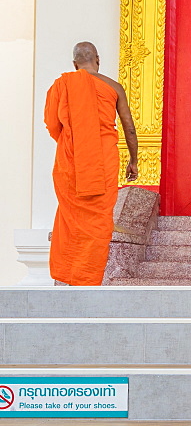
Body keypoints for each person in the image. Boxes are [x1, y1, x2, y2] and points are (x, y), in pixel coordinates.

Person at [44, 42, 138, 286]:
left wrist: (75, 140)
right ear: (98, 59)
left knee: (71, 215)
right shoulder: (114, 87)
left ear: (74, 64)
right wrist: (134, 161)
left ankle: (72, 275)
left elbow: (53, 124)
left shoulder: (62, 84)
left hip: (71, 159)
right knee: (98, 219)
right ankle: (88, 277)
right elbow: (129, 128)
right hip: (104, 158)